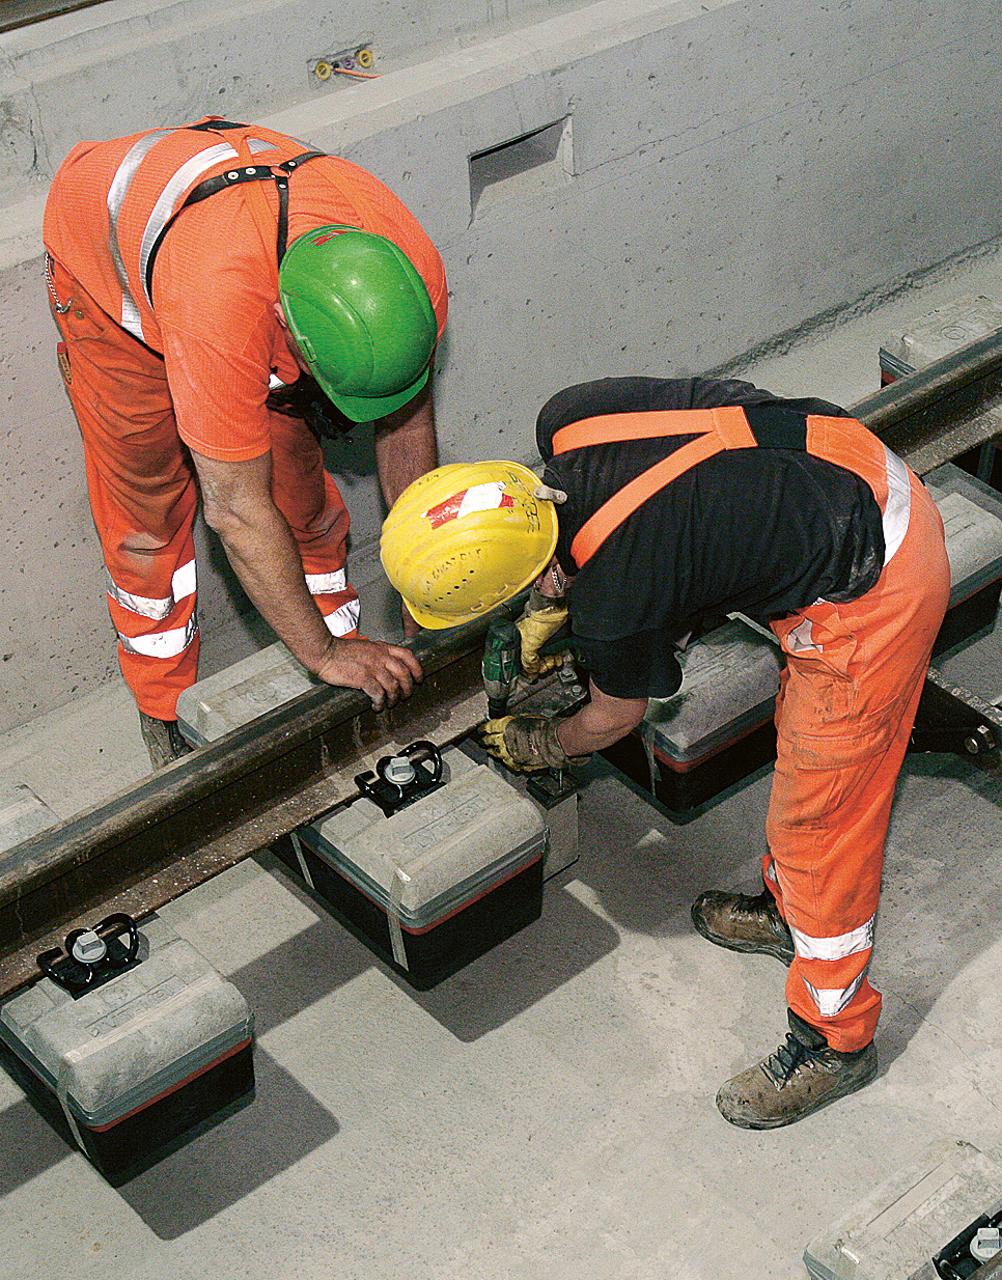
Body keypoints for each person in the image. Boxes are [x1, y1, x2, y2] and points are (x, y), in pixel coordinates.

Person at [380, 375, 949, 1128]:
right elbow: (717, 439)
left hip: (876, 584)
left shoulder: (615, 599)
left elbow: (613, 717)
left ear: (536, 573)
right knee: (802, 761)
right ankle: (788, 917)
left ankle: (834, 1040)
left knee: (822, 826)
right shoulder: (570, 420)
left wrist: (541, 739)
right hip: (846, 462)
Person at [42, 116, 447, 766]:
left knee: (296, 488)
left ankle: (337, 641)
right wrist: (323, 655)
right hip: (109, 276)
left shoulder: (405, 277)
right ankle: (165, 708)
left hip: (232, 250)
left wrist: (428, 592)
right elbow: (233, 511)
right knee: (147, 508)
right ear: (284, 322)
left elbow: (408, 424)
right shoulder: (221, 309)